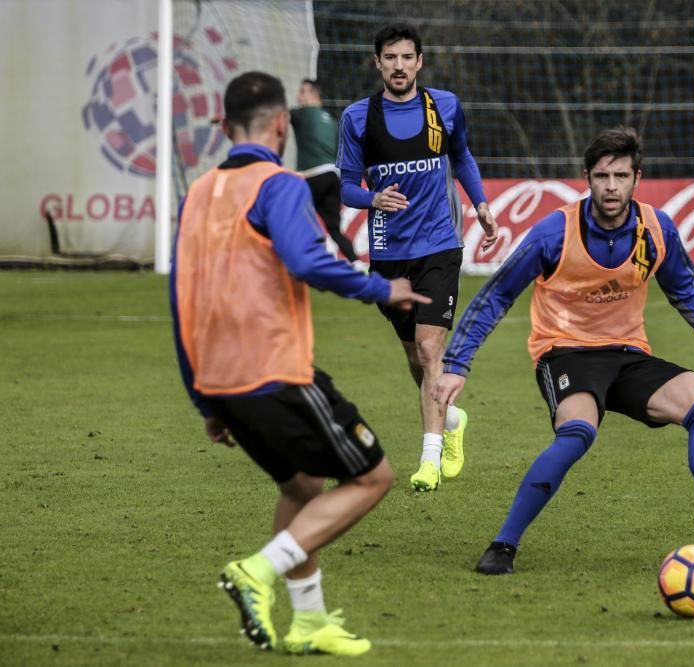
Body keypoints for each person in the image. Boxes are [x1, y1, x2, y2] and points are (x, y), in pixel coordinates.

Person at [433, 127, 694, 575]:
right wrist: (457, 364)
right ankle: (503, 545)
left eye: (620, 175)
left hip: (628, 355)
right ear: (586, 178)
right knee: (577, 433)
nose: (610, 186)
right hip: (565, 355)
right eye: (601, 176)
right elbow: (496, 295)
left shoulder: (656, 229)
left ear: (638, 177)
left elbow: (688, 291)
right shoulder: (555, 231)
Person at [170, 71, 429, 654]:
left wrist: (203, 400)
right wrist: (380, 290)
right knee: (373, 476)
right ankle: (258, 571)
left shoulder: (197, 193)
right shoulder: (278, 184)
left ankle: (307, 621)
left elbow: (177, 299)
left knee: (303, 485)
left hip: (221, 380)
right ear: (282, 124)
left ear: (223, 126)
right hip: (276, 371)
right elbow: (307, 261)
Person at [337, 22, 498, 492]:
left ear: (420, 61)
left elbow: (462, 157)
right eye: (390, 58)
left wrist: (482, 203)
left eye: (407, 57)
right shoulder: (357, 118)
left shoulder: (443, 106)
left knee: (431, 349)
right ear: (378, 64)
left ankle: (429, 458)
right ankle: (452, 422)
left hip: (440, 246)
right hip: (389, 254)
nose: (399, 65)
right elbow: (347, 185)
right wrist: (373, 200)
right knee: (415, 356)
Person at [289, 78, 361, 268]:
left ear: (313, 94)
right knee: (334, 229)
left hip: (314, 176)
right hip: (334, 177)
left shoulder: (302, 114)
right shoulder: (332, 122)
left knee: (290, 216)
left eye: (302, 91)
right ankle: (356, 264)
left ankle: (299, 263)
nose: (298, 96)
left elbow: (270, 117)